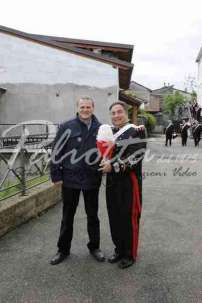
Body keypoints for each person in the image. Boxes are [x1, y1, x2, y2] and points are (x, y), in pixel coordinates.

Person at [50, 96, 105, 265]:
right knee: (67, 216)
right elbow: (56, 151)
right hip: (70, 178)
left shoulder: (101, 128)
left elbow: (108, 149)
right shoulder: (67, 126)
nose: (85, 110)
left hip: (91, 178)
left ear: (93, 108)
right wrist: (56, 175)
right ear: (78, 108)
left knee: (93, 215)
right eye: (82, 107)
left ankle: (94, 247)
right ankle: (63, 250)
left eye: (88, 107)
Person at [99, 101, 146, 269]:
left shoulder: (137, 131)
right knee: (114, 216)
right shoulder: (110, 133)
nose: (116, 115)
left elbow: (136, 156)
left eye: (119, 112)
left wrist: (113, 166)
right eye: (113, 113)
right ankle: (119, 249)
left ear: (125, 113)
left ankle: (129, 254)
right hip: (112, 181)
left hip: (129, 182)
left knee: (128, 218)